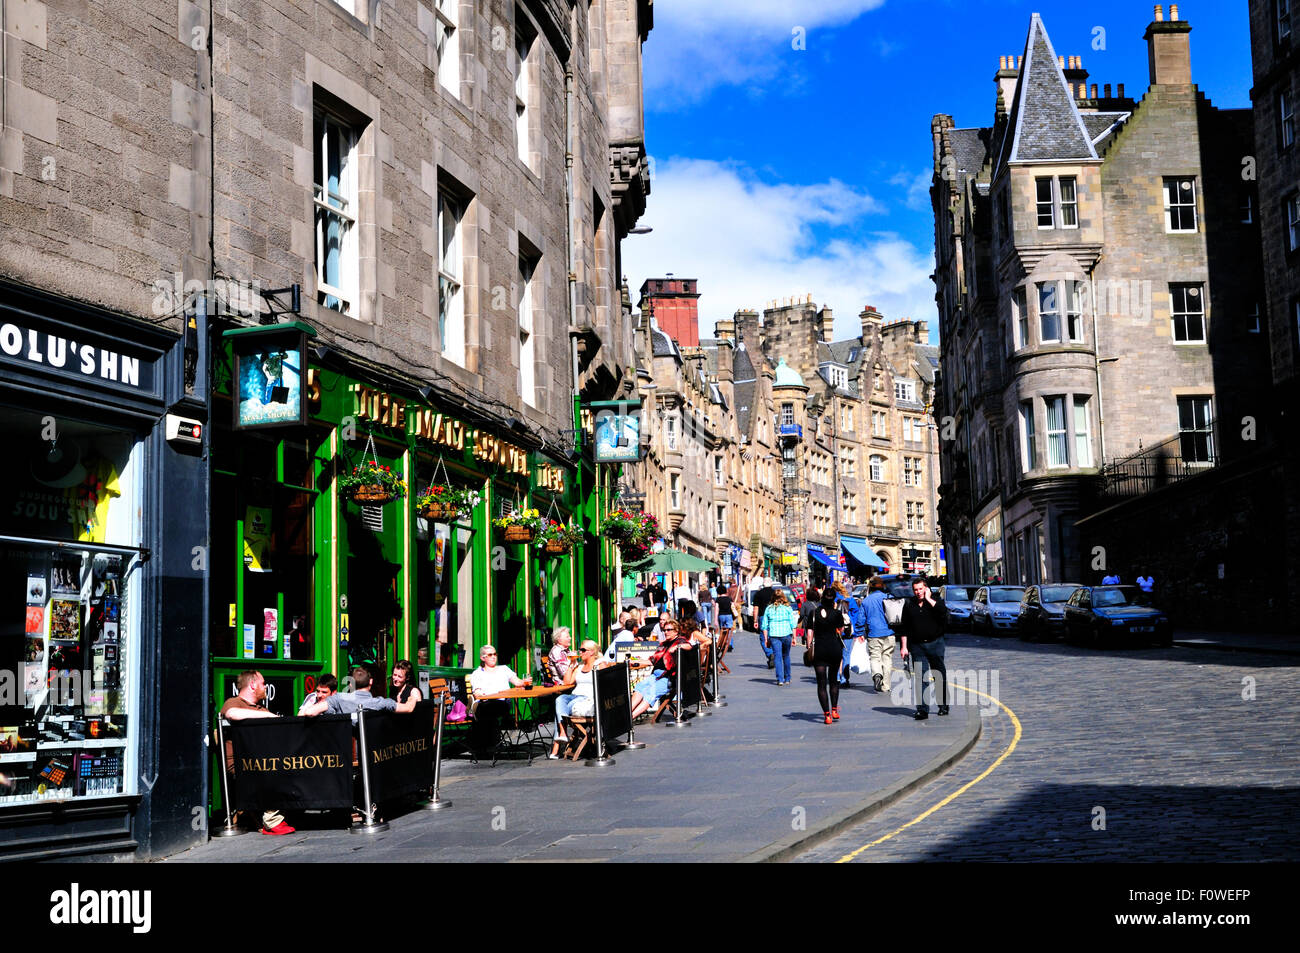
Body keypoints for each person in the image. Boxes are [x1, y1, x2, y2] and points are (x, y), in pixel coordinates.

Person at [220, 670, 295, 835]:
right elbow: (232, 714)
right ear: (253, 685)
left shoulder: (262, 708)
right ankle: (272, 821)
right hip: (242, 764)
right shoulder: (234, 702)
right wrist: (268, 717)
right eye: (263, 683)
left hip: (262, 761)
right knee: (273, 770)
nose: (266, 686)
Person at [549, 640, 611, 759]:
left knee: (561, 711)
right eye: (580, 649)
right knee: (560, 699)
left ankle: (556, 747)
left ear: (592, 652)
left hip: (587, 699)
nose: (580, 652)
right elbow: (567, 682)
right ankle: (563, 732)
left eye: (583, 650)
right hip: (575, 696)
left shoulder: (600, 664)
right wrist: (571, 664)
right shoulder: (580, 665)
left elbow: (605, 683)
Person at [899, 578, 949, 720]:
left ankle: (943, 705)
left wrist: (928, 598)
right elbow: (904, 627)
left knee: (938, 675)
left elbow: (943, 612)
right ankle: (922, 710)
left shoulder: (936, 600)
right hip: (917, 646)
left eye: (920, 589)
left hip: (935, 643)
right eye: (915, 589)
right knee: (921, 678)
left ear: (926, 588)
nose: (918, 592)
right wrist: (903, 647)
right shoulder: (909, 604)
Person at [465, 645, 529, 754]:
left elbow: (517, 682)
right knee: (486, 708)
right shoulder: (478, 673)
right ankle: (489, 743)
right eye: (490, 655)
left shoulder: (504, 669)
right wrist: (480, 694)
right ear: (482, 658)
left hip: (503, 703)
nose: (494, 657)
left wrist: (525, 681)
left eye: (495, 654)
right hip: (486, 703)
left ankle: (487, 744)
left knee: (486, 710)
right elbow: (477, 692)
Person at [630, 620, 690, 718]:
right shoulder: (663, 644)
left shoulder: (680, 640)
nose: (666, 632)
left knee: (651, 692)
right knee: (640, 686)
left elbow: (689, 646)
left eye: (669, 630)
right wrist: (636, 662)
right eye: (664, 630)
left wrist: (677, 647)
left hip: (670, 678)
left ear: (676, 631)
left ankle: (630, 718)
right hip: (656, 675)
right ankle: (626, 715)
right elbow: (652, 661)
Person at [808, 589, 846, 724]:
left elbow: (809, 633)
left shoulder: (814, 613)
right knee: (833, 681)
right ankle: (835, 709)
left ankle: (827, 715)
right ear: (833, 600)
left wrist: (809, 648)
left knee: (821, 684)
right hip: (834, 649)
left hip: (819, 650)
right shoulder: (837, 614)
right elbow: (841, 630)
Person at [862, 578, 895, 693]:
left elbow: (861, 619)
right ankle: (886, 685)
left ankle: (877, 674)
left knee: (875, 657)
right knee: (887, 658)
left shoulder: (866, 601)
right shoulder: (889, 598)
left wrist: (858, 633)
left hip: (873, 633)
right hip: (889, 632)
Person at [760, 591, 798, 685]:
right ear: (783, 597)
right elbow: (793, 624)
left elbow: (764, 626)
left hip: (774, 635)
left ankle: (780, 679)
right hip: (786, 634)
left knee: (777, 656)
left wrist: (766, 639)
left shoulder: (769, 608)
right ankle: (787, 678)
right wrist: (794, 638)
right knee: (786, 656)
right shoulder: (788, 608)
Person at [838, 582, 867, 687]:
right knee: (846, 655)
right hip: (848, 630)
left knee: (837, 655)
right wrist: (856, 630)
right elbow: (857, 614)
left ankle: (837, 676)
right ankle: (844, 679)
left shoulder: (833, 598)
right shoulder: (849, 599)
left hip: (835, 630)